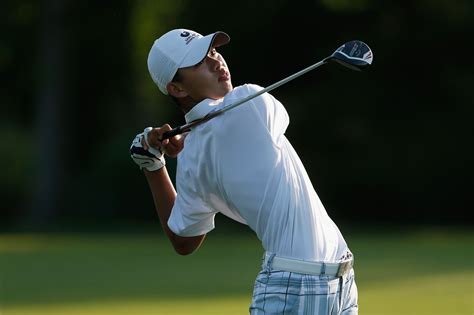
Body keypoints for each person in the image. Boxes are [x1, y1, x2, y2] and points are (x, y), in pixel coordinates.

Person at [130, 28, 358, 314]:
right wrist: (179, 146)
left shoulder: (191, 158)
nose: (216, 62)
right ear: (177, 88)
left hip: (340, 281)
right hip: (296, 285)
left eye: (213, 52)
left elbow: (183, 239)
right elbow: (184, 240)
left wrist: (153, 165)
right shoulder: (251, 101)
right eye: (200, 61)